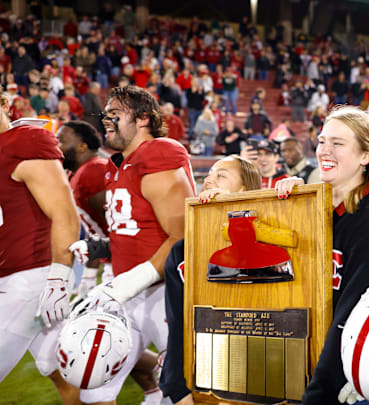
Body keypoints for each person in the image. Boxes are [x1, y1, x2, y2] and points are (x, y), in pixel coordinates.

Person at [70, 85, 195, 405]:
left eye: (115, 114)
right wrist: (102, 248)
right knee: (93, 385)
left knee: (190, 393)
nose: (106, 121)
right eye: (106, 114)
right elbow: (136, 233)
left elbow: (185, 237)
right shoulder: (120, 165)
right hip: (127, 294)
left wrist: (129, 282)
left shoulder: (157, 155)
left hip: (167, 295)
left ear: (142, 119)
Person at [274, 106, 369, 404]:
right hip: (312, 363)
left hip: (352, 376)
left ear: (365, 155)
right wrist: (285, 205)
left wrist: (321, 391)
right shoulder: (314, 207)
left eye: (338, 143)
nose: (325, 150)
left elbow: (352, 316)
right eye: (322, 141)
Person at [55, 120, 164, 405]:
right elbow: (105, 229)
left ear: (81, 145)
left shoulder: (92, 170)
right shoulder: (84, 171)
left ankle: (167, 378)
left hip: (130, 270)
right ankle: (155, 391)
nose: (57, 142)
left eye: (62, 138)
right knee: (115, 343)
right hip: (118, 265)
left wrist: (98, 268)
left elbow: (124, 217)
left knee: (104, 347)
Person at [160, 156, 262, 405]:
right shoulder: (182, 250)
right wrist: (175, 384)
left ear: (245, 190)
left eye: (221, 175)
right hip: (197, 377)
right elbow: (177, 322)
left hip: (260, 376)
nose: (209, 179)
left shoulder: (269, 246)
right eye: (210, 173)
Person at [0, 92, 79, 399]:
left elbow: (63, 211)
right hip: (12, 275)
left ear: (5, 104)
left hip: (31, 278)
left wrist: (58, 277)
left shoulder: (23, 141)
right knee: (65, 371)